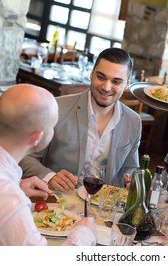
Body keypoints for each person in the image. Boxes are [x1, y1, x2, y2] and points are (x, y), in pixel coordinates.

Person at [0, 84, 96, 246]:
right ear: (36, 138)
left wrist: (17, 187)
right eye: (52, 126)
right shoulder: (9, 204)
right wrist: (82, 235)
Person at [20, 48, 141, 191]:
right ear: (91, 74)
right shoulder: (57, 107)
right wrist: (49, 176)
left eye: (116, 81)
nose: (106, 87)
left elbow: (131, 169)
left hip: (99, 206)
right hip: (55, 199)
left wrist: (132, 180)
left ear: (127, 84)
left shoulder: (134, 121)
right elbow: (24, 156)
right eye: (101, 77)